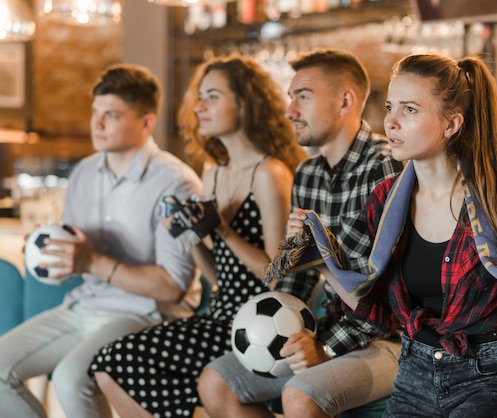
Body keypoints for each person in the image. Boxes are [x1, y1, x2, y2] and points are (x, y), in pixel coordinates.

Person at [281, 52, 497, 417]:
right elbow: (380, 314)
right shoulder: (385, 199)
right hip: (413, 371)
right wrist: (320, 259)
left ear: (451, 124)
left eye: (409, 110)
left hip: (489, 377)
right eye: (390, 107)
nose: (390, 122)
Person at [89, 55, 308, 418]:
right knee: (107, 366)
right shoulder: (213, 173)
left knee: (114, 361)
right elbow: (218, 276)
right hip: (220, 312)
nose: (199, 107)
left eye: (212, 97)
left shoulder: (270, 173)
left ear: (245, 102)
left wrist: (221, 229)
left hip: (257, 325)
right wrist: (185, 237)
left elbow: (275, 275)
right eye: (199, 97)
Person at [199, 48, 405, 418]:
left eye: (303, 97)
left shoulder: (385, 168)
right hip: (327, 328)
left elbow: (384, 293)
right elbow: (295, 278)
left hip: (387, 339)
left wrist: (325, 348)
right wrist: (282, 326)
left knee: (300, 394)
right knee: (216, 380)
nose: (289, 111)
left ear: (345, 101)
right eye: (290, 97)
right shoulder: (308, 175)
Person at [0, 64, 203, 418]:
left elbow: (172, 288)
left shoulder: (178, 184)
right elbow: (73, 253)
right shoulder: (84, 173)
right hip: (84, 305)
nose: (97, 124)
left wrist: (91, 261)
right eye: (95, 113)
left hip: (147, 314)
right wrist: (47, 253)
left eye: (111, 115)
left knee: (69, 378)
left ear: (146, 123)